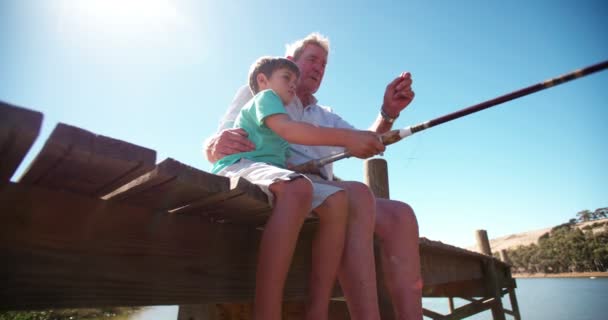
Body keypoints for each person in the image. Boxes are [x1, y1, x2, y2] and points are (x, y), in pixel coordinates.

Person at [205, 33, 422, 320]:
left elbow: (366, 140)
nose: (319, 68)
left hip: (325, 189)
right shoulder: (263, 90)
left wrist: (388, 113)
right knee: (356, 194)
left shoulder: (326, 114)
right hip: (284, 181)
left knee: (402, 215)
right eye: (312, 60)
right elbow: (218, 143)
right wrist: (211, 146)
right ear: (290, 61)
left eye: (324, 64)